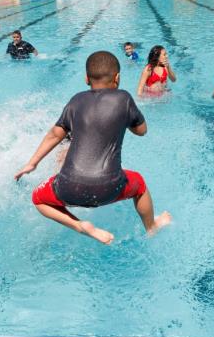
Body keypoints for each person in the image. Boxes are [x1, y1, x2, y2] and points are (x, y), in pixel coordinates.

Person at [14, 51, 171, 244]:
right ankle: (151, 227)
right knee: (139, 183)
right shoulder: (124, 98)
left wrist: (32, 163)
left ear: (86, 78)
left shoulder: (76, 100)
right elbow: (142, 131)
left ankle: (80, 225)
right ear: (117, 78)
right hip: (110, 188)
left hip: (68, 188)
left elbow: (55, 135)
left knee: (38, 198)